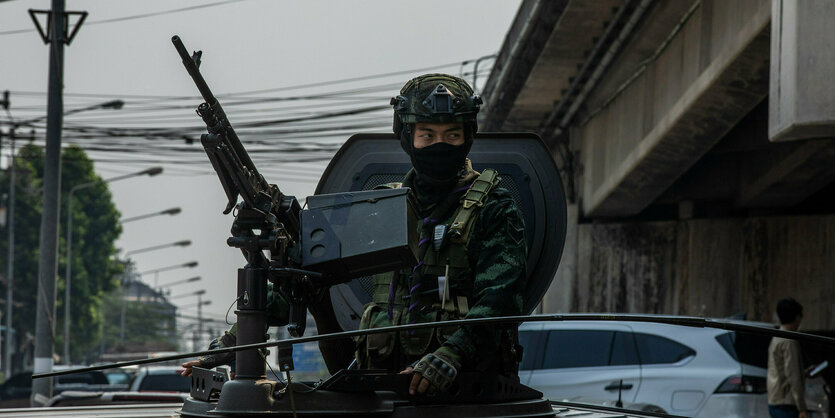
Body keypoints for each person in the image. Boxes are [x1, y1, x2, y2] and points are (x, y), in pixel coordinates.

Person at [181, 73, 528, 396]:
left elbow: (501, 298)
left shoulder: (494, 206)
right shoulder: (382, 205)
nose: (440, 144)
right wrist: (230, 346)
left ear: (468, 136)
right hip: (381, 390)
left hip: (470, 392)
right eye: (427, 135)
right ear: (408, 138)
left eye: (452, 135)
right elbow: (308, 281)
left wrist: (453, 353)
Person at [767, 298, 807, 418]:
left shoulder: (777, 337)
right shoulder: (789, 341)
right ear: (797, 317)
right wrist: (802, 408)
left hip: (774, 399)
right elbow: (793, 375)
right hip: (786, 403)